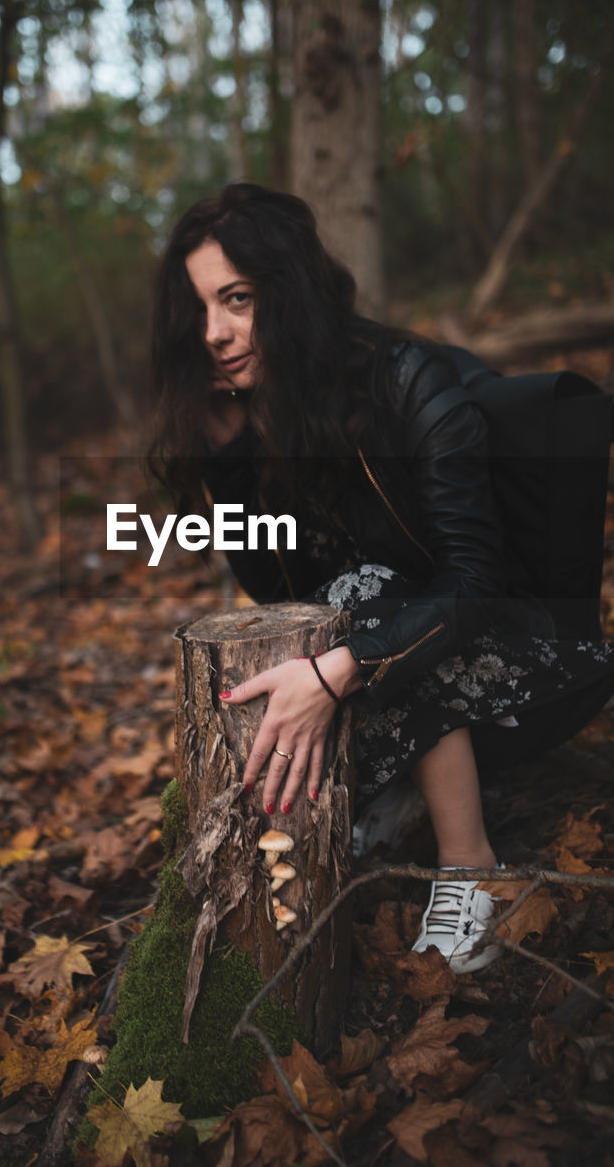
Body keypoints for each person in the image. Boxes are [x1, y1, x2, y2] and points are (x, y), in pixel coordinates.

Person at [149, 182, 614, 972]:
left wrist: (336, 675)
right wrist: (230, 456)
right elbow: (279, 593)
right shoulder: (267, 413)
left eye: (237, 299)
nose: (216, 334)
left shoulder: (407, 381)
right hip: (392, 649)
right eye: (198, 311)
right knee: (338, 605)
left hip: (528, 653)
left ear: (289, 291)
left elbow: (472, 581)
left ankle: (471, 866)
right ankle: (397, 793)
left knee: (366, 592)